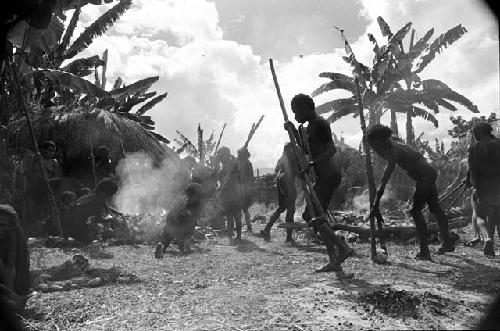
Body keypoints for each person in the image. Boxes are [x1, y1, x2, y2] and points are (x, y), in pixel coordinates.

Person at [284, 93, 354, 273]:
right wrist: (292, 130)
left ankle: (342, 248)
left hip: (330, 175)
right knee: (317, 216)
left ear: (305, 108)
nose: (295, 116)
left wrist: (313, 164)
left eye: (296, 112)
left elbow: (331, 149)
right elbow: (306, 148)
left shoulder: (321, 124)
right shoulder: (310, 127)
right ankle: (335, 261)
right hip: (324, 176)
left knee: (310, 214)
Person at [367, 124, 455, 260]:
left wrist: (375, 205)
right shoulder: (393, 140)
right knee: (435, 208)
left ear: (381, 141)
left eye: (374, 144)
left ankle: (425, 252)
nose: (374, 148)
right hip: (429, 174)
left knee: (415, 211)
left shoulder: (394, 151)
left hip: (424, 177)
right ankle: (448, 243)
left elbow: (384, 180)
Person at [467, 121, 500, 256]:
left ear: (475, 134)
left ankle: (488, 238)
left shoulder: (474, 148)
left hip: (484, 188)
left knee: (480, 216)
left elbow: (473, 171)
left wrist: (474, 186)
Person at [61, 178, 118, 243]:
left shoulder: (94, 194)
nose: (111, 195)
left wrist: (118, 213)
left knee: (89, 239)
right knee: (87, 242)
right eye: (111, 193)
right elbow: (98, 219)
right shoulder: (97, 200)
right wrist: (112, 220)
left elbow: (106, 206)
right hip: (75, 223)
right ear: (106, 192)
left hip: (70, 220)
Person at [260, 143, 297, 242]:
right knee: (290, 211)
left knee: (282, 209)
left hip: (281, 184)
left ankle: (267, 229)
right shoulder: (292, 159)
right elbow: (297, 171)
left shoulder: (281, 159)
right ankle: (288, 237)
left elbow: (276, 170)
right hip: (288, 186)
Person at [157, 183, 204, 255]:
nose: (198, 198)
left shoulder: (180, 199)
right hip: (179, 226)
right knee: (190, 226)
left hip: (170, 225)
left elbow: (169, 215)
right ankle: (184, 246)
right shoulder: (188, 202)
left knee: (166, 236)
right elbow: (190, 220)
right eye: (197, 196)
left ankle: (162, 246)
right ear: (194, 194)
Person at [0, 205, 30, 305]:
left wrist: (8, 293)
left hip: (14, 281)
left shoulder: (14, 237)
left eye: (2, 225)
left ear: (10, 226)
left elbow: (11, 266)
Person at [215, 146, 243, 239]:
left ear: (227, 155)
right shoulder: (222, 171)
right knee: (229, 216)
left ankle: (238, 236)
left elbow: (239, 178)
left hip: (236, 195)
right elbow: (220, 182)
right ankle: (230, 235)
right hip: (226, 197)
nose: (221, 159)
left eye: (221, 156)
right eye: (220, 156)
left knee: (237, 216)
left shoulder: (235, 165)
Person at [236, 147, 254, 232]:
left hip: (245, 189)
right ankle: (247, 227)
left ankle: (248, 227)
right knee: (244, 209)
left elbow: (246, 177)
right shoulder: (246, 163)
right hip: (244, 189)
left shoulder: (247, 164)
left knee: (243, 209)